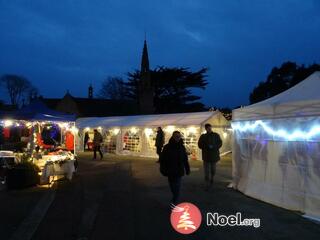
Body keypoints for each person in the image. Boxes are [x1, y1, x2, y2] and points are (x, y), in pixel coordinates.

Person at [159, 131, 190, 206]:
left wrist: (187, 168)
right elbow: (162, 159)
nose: (177, 138)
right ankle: (175, 198)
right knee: (172, 186)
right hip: (170, 170)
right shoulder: (167, 147)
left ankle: (175, 200)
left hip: (179, 170)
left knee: (177, 186)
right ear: (173, 137)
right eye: (176, 136)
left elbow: (185, 159)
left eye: (179, 137)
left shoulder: (182, 147)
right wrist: (163, 169)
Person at [198, 123, 222, 191]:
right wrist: (206, 146)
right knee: (206, 171)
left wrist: (214, 146)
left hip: (214, 155)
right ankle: (207, 183)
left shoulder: (216, 135)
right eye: (208, 128)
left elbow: (220, 143)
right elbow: (199, 145)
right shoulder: (203, 136)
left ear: (211, 128)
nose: (209, 129)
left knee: (213, 170)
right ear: (205, 129)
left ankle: (212, 178)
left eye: (210, 128)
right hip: (206, 156)